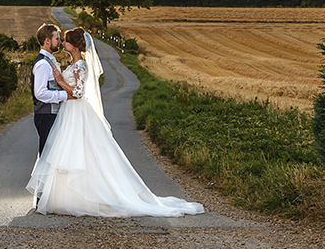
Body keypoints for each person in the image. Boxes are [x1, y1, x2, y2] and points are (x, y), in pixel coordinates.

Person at [27, 27, 204, 218]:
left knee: (78, 152)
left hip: (75, 111)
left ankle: (78, 196)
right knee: (67, 152)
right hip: (68, 112)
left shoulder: (80, 65)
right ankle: (61, 196)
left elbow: (78, 93)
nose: (62, 43)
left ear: (76, 46)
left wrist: (61, 82)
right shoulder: (69, 63)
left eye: (66, 40)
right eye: (59, 39)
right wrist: (63, 87)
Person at [32, 23, 69, 157]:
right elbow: (40, 93)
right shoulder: (43, 64)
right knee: (47, 156)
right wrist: (64, 95)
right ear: (47, 41)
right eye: (57, 38)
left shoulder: (49, 60)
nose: (60, 42)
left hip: (51, 114)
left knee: (54, 155)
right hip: (46, 115)